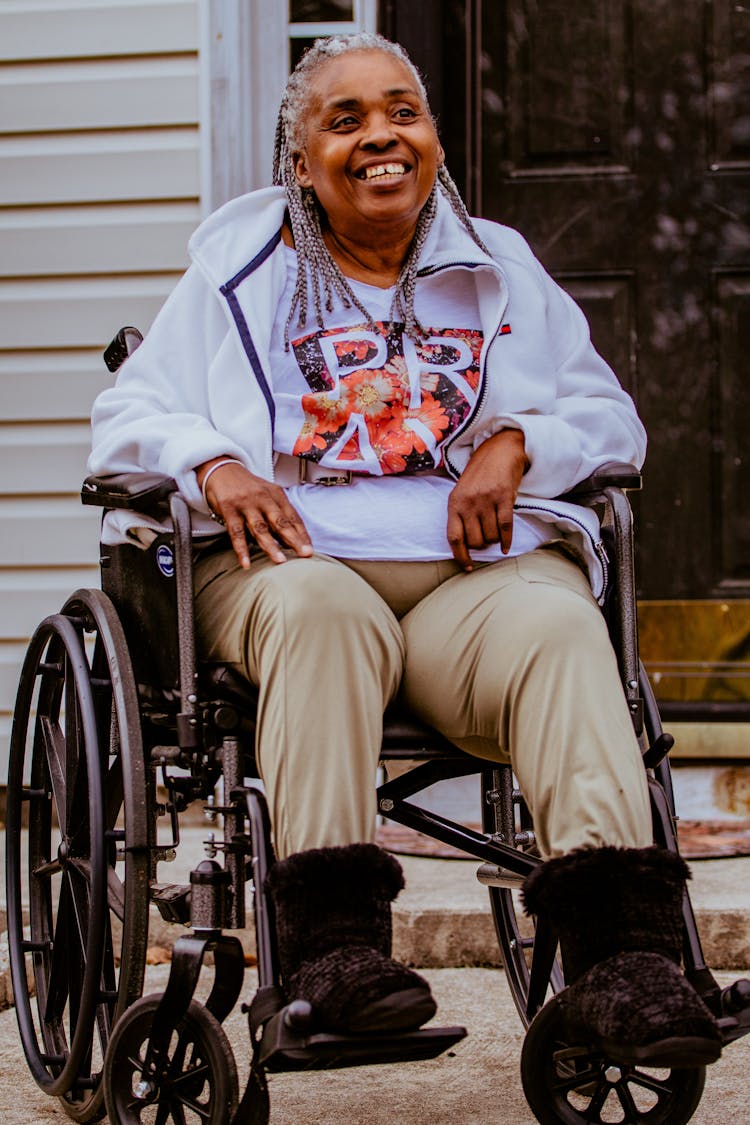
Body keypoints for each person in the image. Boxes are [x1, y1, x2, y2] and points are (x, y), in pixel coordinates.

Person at [89, 33, 721, 1061]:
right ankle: (334, 956)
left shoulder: (498, 263)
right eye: (346, 121)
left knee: (562, 624)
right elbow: (127, 414)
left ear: (431, 138)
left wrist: (518, 443)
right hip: (279, 574)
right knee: (324, 612)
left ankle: (626, 964)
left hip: (464, 586)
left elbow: (610, 420)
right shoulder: (236, 269)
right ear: (301, 162)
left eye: (402, 113)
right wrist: (214, 464)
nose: (382, 136)